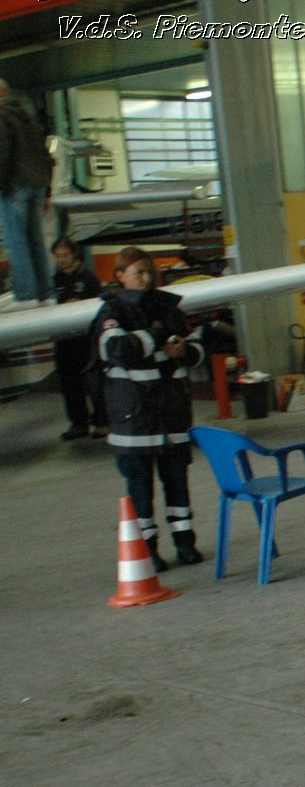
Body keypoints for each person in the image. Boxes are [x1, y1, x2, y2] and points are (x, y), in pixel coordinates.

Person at [91, 248, 203, 571]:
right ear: (120, 274)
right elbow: (117, 350)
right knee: (140, 491)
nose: (146, 278)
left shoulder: (169, 306)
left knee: (178, 484)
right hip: (135, 421)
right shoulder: (112, 311)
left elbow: (197, 347)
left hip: (171, 416)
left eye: (149, 272)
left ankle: (186, 544)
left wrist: (185, 350)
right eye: (138, 272)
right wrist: (155, 337)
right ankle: (148, 551)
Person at [0, 78, 53, 307]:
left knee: (16, 242)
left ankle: (26, 295)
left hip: (14, 185)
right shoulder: (27, 115)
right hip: (37, 183)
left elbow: (2, 152)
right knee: (35, 240)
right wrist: (48, 189)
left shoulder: (1, 115)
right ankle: (45, 293)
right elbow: (45, 154)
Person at [52, 237, 107, 440]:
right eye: (58, 256)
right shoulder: (54, 280)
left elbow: (100, 303)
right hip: (65, 339)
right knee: (69, 383)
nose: (62, 260)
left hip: (86, 339)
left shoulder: (88, 278)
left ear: (73, 254)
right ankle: (78, 423)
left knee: (94, 381)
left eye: (65, 255)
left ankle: (102, 422)